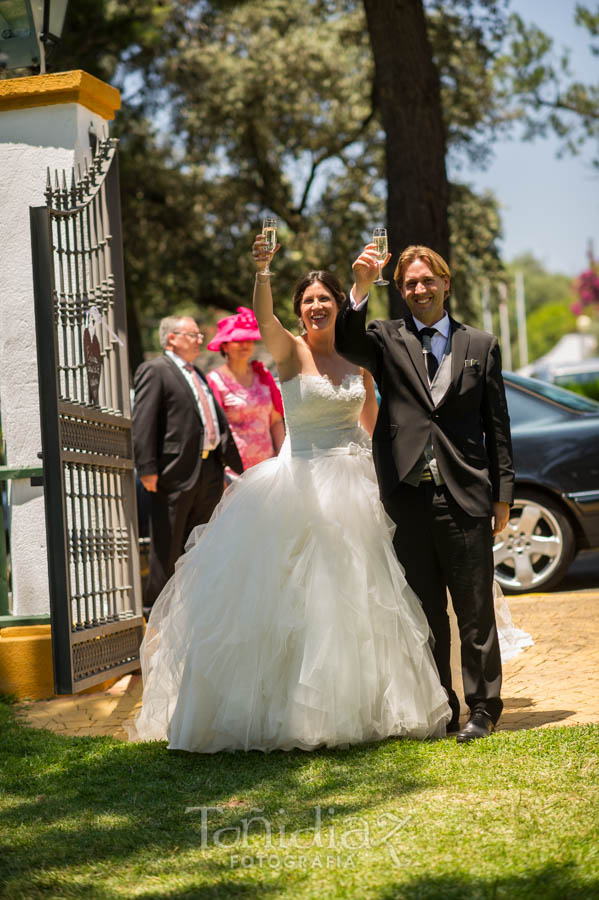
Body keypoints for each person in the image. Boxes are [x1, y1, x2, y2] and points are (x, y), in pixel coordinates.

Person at [129, 240, 451, 752]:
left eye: (325, 298)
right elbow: (263, 316)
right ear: (299, 311)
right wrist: (263, 270)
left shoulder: (358, 359)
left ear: (339, 304)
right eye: (308, 301)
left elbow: (372, 427)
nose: (317, 307)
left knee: (360, 601)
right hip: (298, 483)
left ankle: (365, 708)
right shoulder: (289, 351)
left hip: (355, 485)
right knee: (295, 602)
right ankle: (284, 712)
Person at [335, 243, 515, 742]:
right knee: (424, 610)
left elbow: (496, 426)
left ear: (445, 282)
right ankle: (442, 704)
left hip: (467, 493)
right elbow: (346, 343)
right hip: (407, 496)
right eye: (410, 283)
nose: (419, 290)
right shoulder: (384, 339)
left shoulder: (480, 344)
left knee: (475, 608)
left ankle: (484, 707)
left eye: (427, 280)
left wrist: (503, 494)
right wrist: (362, 285)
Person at [132, 316, 243, 618]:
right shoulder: (155, 371)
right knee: (166, 552)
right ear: (171, 339)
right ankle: (155, 619)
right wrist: (147, 467)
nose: (199, 339)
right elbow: (143, 421)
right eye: (193, 334)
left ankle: (193, 616)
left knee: (199, 550)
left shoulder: (197, 374)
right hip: (173, 475)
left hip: (208, 473)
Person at [206, 306, 285, 469]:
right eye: (238, 340)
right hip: (234, 471)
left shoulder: (262, 374)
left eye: (249, 340)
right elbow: (214, 430)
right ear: (225, 346)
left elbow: (276, 420)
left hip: (269, 468)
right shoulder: (215, 380)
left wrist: (283, 457)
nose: (245, 345)